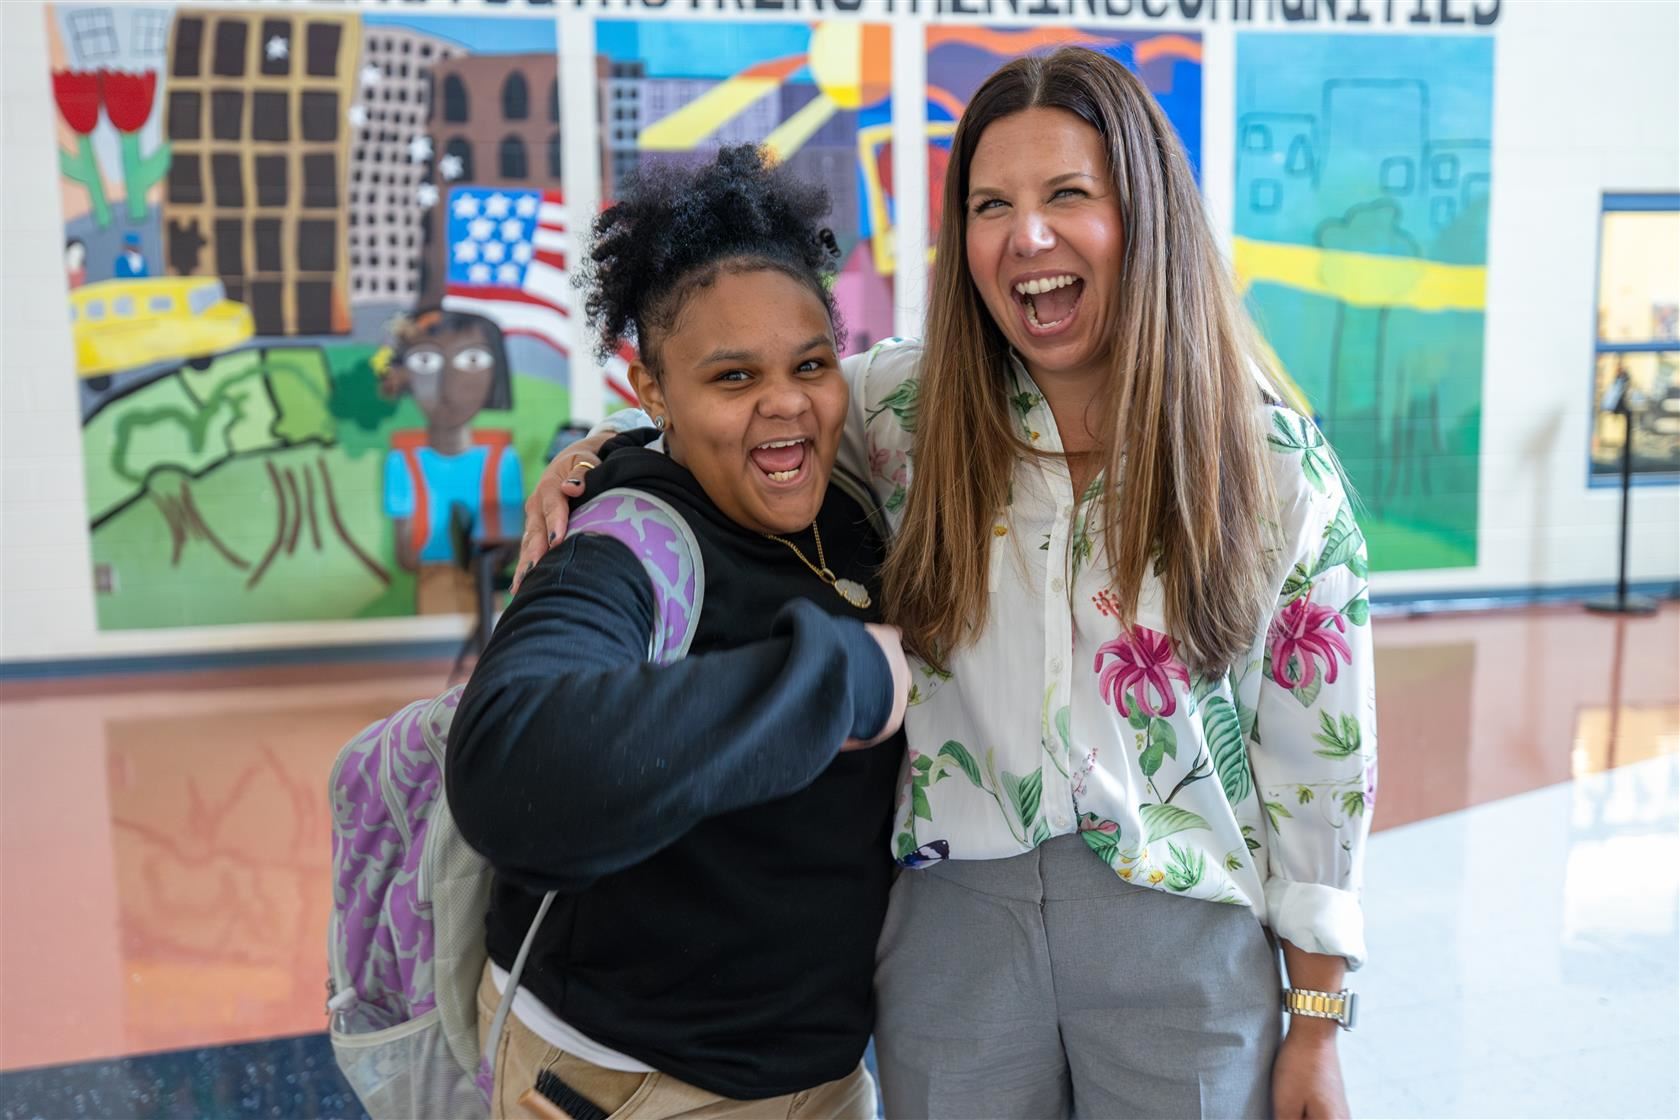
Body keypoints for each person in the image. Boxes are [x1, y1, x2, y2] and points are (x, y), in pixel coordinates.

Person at [525, 49, 1377, 1120]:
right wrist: (603, 455)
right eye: (990, 205)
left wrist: (1317, 1022)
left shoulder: (1271, 463)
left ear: (1145, 214)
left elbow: (1319, 768)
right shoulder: (903, 410)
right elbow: (747, 409)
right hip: (953, 924)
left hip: (1183, 933)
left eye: (1069, 194)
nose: (1027, 236)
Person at [446, 145, 910, 1120]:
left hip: (820, 1079)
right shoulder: (631, 540)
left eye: (810, 363)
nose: (785, 400)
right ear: (651, 390)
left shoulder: (853, 508)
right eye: (732, 376)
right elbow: (511, 765)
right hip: (630, 1084)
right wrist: (847, 678)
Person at [379, 309, 524, 614]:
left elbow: (511, 543)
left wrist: (487, 562)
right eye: (426, 362)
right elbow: (405, 554)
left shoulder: (502, 460)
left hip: (485, 577)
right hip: (435, 578)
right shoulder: (403, 461)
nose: (448, 385)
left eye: (471, 361)